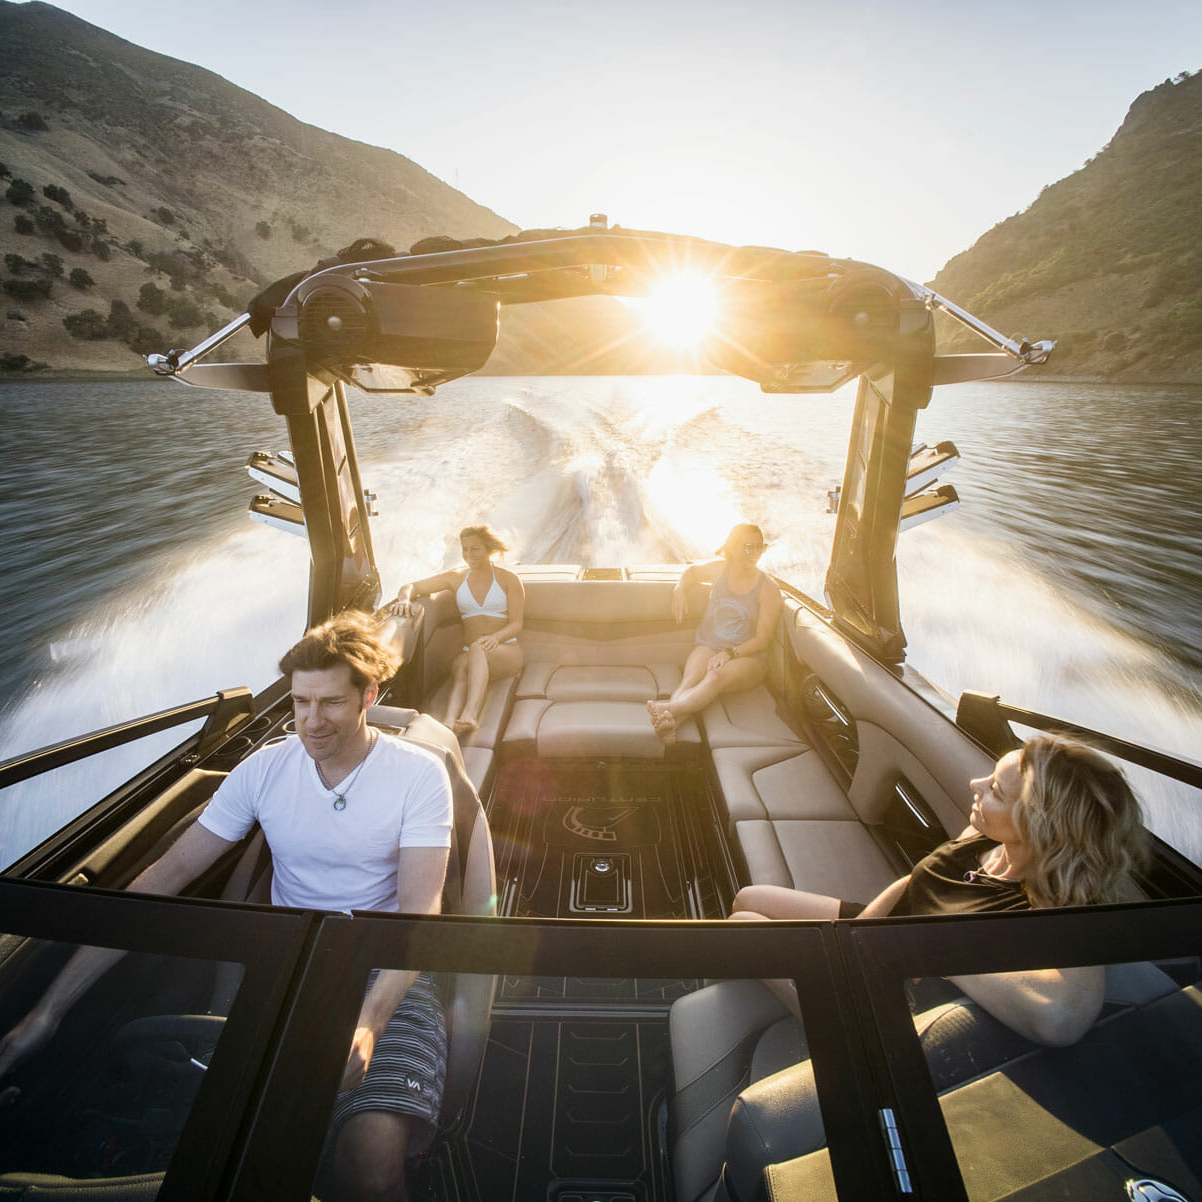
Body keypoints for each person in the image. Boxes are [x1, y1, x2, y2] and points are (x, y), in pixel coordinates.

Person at [0, 611, 454, 1202]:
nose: (311, 723)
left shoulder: (417, 776)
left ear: (370, 695)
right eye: (300, 702)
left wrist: (368, 1024)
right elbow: (165, 878)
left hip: (385, 971)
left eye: (332, 704)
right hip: (279, 969)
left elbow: (418, 916)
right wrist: (49, 1011)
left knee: (369, 1170)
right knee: (211, 1146)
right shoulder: (264, 769)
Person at [730, 734, 1148, 1047]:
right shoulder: (985, 838)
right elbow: (917, 881)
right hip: (880, 936)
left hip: (888, 992)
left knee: (743, 925)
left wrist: (936, 948)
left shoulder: (1056, 909)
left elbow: (1061, 1020)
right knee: (749, 898)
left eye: (996, 791)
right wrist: (859, 932)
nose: (975, 784)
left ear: (1040, 828)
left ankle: (821, 1023)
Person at [648, 523, 782, 745]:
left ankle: (668, 708)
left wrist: (730, 653)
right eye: (749, 547)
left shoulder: (768, 588)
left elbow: (763, 640)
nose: (755, 554)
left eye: (760, 547)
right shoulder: (720, 569)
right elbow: (691, 572)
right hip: (710, 645)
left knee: (714, 677)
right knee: (690, 680)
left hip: (748, 658)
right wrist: (679, 589)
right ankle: (671, 724)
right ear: (732, 547)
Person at [385, 524, 525, 736]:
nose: (469, 555)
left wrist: (494, 638)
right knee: (460, 665)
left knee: (478, 649)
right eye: (465, 549)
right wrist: (404, 600)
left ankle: (470, 715)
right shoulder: (456, 578)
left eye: (475, 549)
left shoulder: (508, 579)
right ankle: (450, 723)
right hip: (472, 653)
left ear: (489, 549)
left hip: (506, 651)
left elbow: (516, 623)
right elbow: (411, 586)